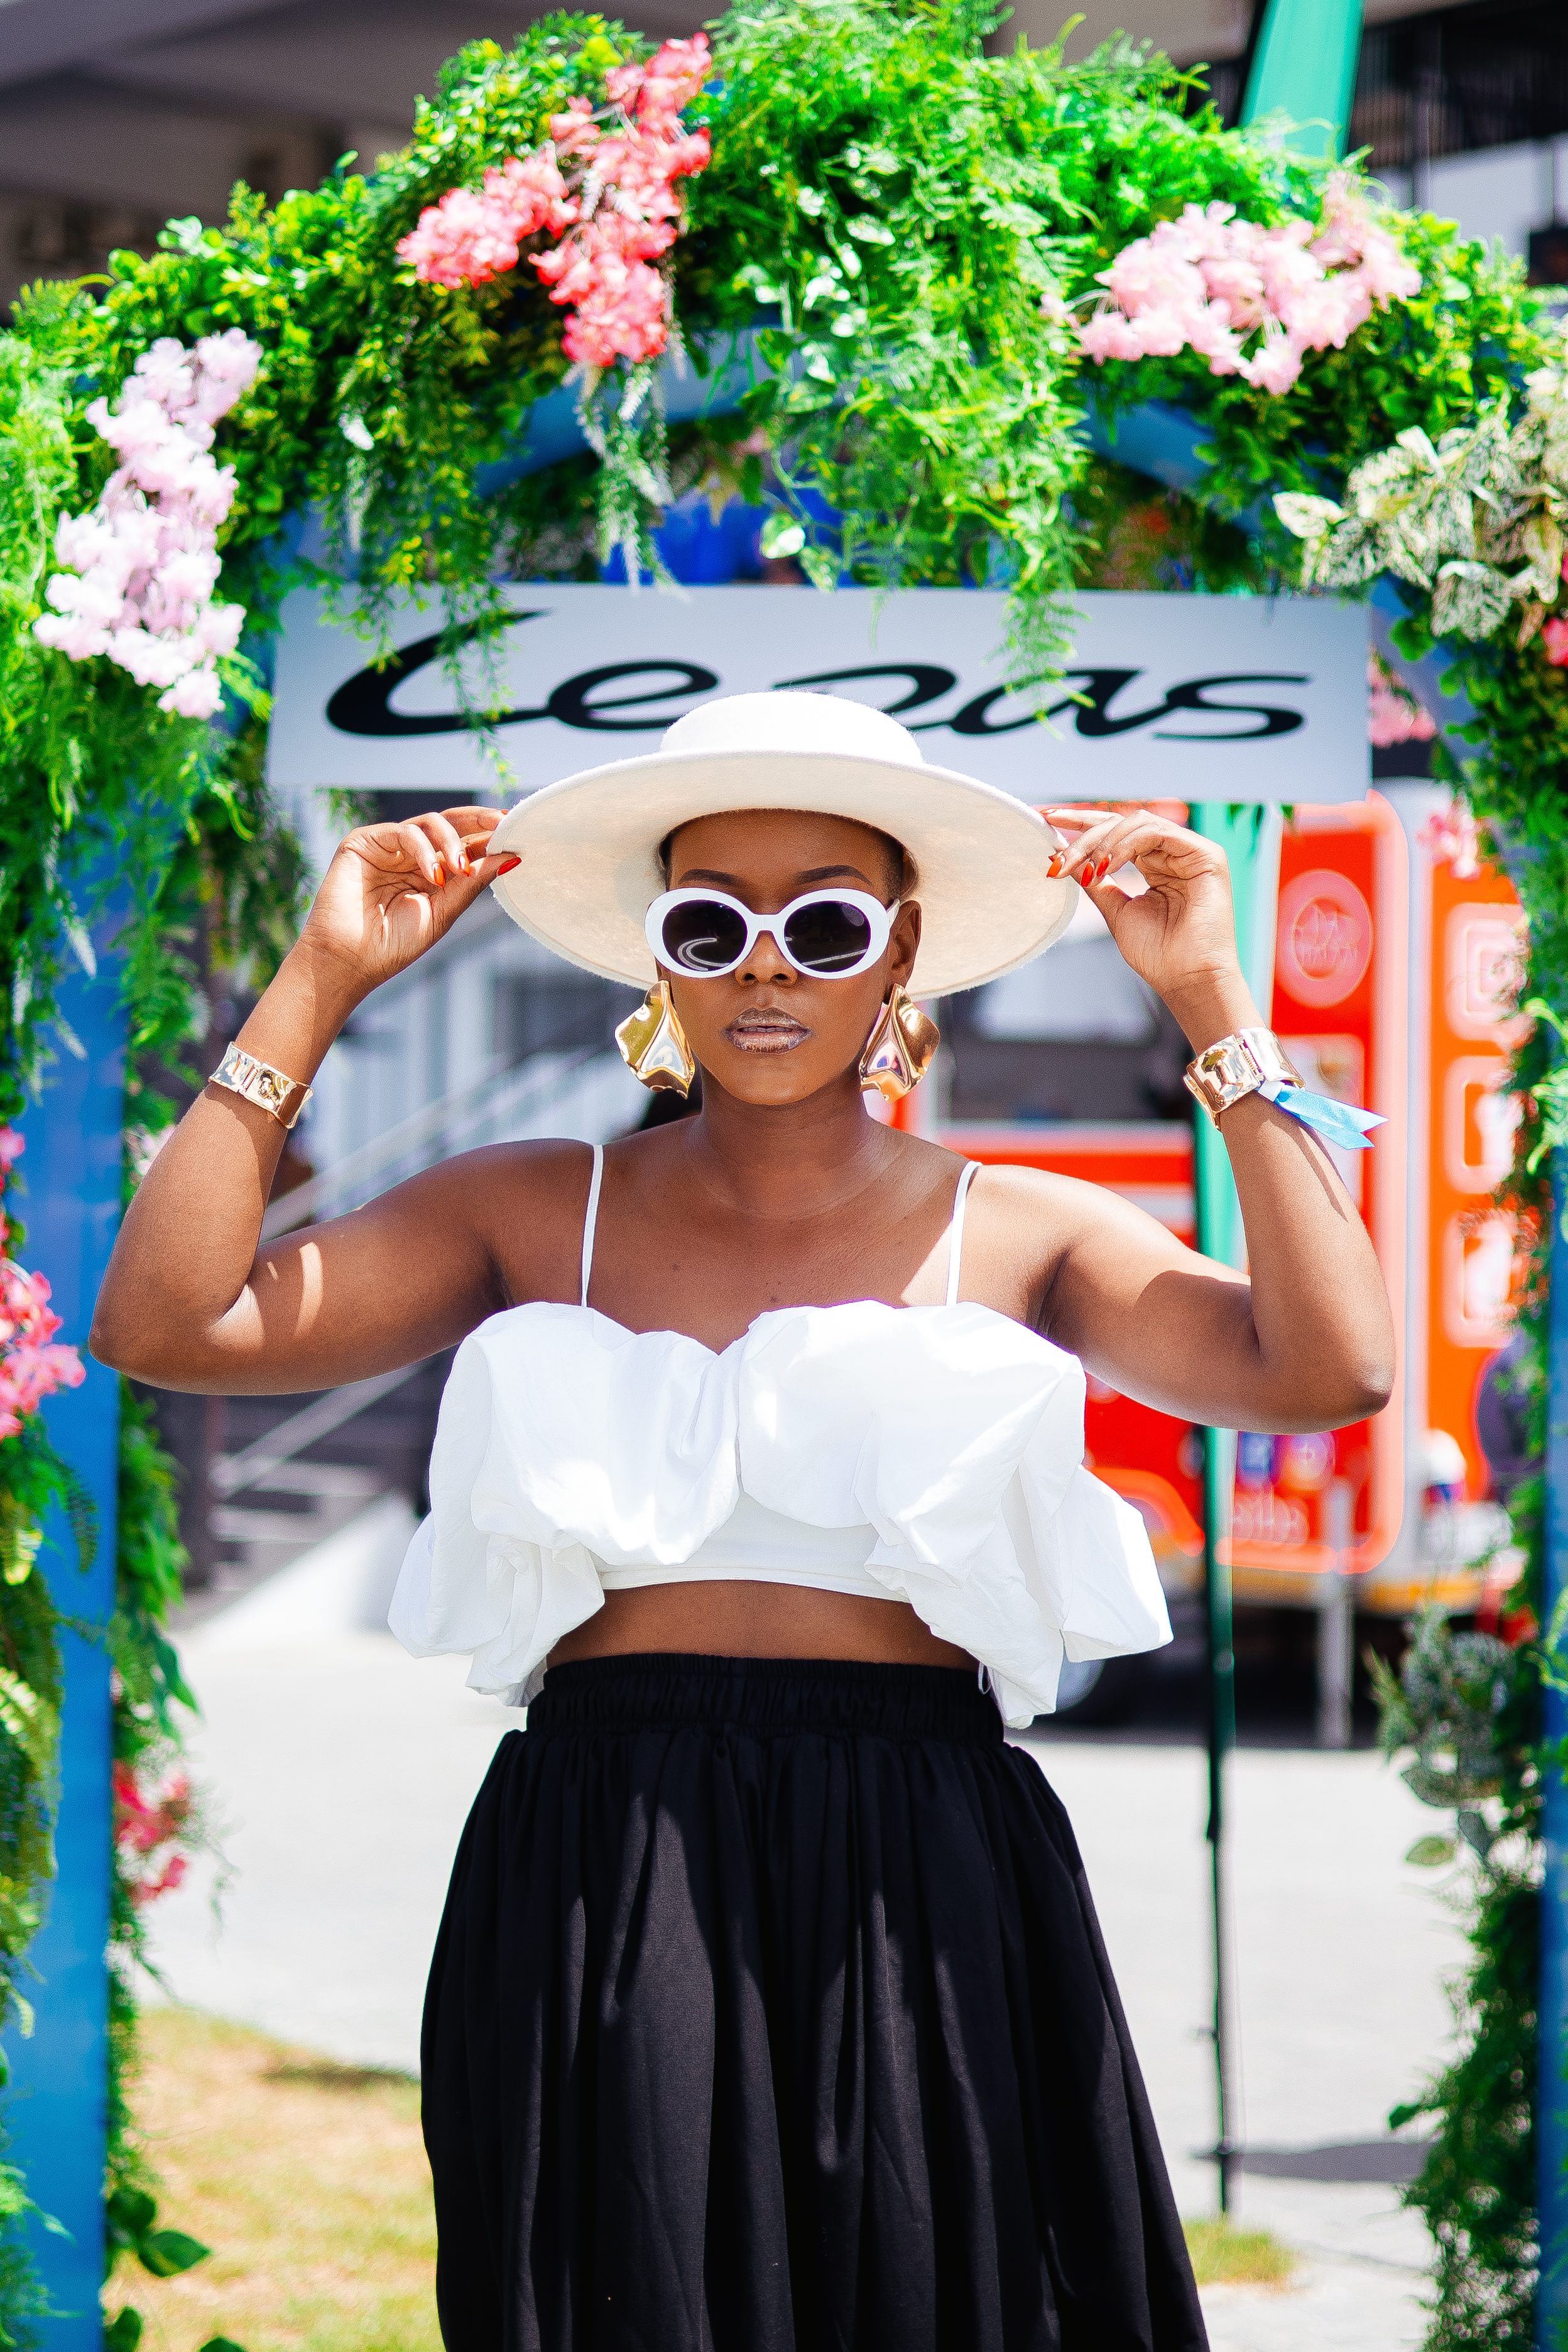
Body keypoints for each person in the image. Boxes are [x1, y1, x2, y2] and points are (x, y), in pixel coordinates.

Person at [93, 690, 1395, 2352]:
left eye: (823, 923)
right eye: (713, 924)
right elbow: (165, 1326)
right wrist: (319, 983)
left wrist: (1213, 1000)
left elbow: (1333, 1366)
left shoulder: (1028, 1229)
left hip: (921, 1854)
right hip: (606, 1845)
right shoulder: (523, 1204)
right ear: (661, 959)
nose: (765, 966)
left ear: (899, 946)